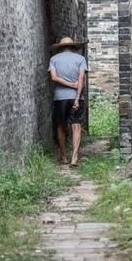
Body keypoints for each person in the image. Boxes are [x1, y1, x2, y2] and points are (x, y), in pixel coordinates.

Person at [48, 36, 88, 166]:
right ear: (73, 47)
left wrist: (69, 85)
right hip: (77, 96)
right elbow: (82, 79)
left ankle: (64, 156)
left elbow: (54, 77)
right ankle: (74, 157)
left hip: (60, 97)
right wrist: (77, 97)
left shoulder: (53, 59)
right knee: (76, 125)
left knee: (61, 125)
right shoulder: (80, 59)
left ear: (60, 47)